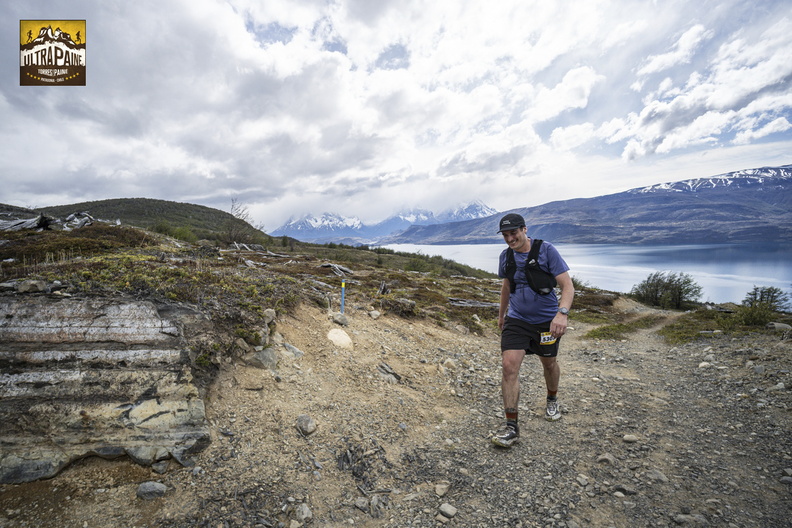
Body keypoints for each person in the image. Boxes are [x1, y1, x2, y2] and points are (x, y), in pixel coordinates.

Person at [492, 213, 574, 448]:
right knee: (509, 366)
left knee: (549, 363)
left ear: (524, 229)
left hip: (546, 322)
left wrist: (562, 313)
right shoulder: (505, 256)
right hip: (517, 319)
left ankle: (552, 398)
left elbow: (567, 285)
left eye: (513, 233)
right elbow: (506, 286)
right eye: (505, 235)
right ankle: (511, 427)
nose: (510, 239)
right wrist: (502, 315)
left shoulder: (546, 250)